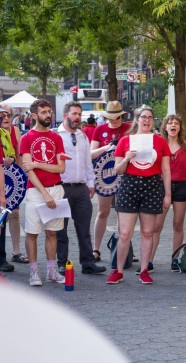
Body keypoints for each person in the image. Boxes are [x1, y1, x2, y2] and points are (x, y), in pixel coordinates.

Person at [106, 105, 171, 285]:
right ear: (137, 119)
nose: (147, 120)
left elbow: (166, 169)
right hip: (130, 184)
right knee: (125, 233)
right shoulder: (125, 141)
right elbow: (117, 171)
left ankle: (144, 270)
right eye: (143, 117)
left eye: (150, 117)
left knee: (147, 232)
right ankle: (118, 271)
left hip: (152, 185)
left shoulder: (160, 141)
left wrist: (168, 194)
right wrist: (127, 158)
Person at [56, 102, 107, 276]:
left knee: (84, 229)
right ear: (65, 115)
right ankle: (62, 263)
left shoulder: (83, 136)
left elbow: (87, 162)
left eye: (79, 114)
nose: (77, 117)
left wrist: (91, 184)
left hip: (81, 189)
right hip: (61, 188)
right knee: (60, 229)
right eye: (74, 114)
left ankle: (87, 263)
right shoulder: (56, 135)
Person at [20, 99, 66, 286]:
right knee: (32, 233)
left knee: (52, 233)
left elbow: (61, 168)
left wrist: (38, 164)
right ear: (34, 116)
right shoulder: (27, 138)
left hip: (56, 188)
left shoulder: (57, 138)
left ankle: (52, 272)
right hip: (35, 192)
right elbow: (28, 170)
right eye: (44, 112)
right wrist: (45, 194)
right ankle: (33, 272)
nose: (48, 115)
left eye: (50, 111)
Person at [149, 114, 186, 272]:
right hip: (162, 186)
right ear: (165, 127)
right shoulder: (159, 146)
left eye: (176, 123)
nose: (173, 125)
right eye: (170, 123)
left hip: (182, 186)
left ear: (180, 127)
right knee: (157, 225)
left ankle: (175, 259)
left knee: (178, 224)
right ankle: (149, 260)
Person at [90, 101, 130, 262]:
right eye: (110, 118)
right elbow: (91, 153)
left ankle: (126, 249)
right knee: (103, 211)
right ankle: (96, 249)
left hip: (124, 175)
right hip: (105, 176)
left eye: (117, 117)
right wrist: (105, 148)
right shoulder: (99, 130)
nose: (113, 121)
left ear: (121, 116)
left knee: (125, 214)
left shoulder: (128, 128)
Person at [0, 103, 28, 265]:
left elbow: (19, 156)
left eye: (8, 115)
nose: (6, 118)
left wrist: (21, 179)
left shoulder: (15, 131)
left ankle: (16, 252)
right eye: (2, 115)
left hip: (12, 179)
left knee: (14, 213)